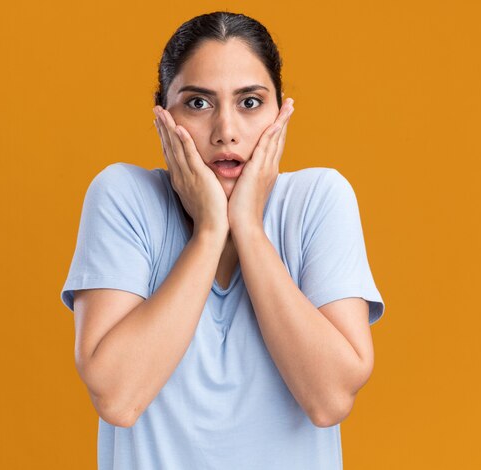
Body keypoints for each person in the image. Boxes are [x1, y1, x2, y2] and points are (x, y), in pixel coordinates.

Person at [60, 11, 386, 470]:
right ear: (162, 117)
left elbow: (329, 399)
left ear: (281, 114)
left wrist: (248, 228)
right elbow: (118, 397)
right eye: (198, 103)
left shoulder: (319, 200)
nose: (226, 131)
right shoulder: (124, 197)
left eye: (250, 103)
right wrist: (211, 230)